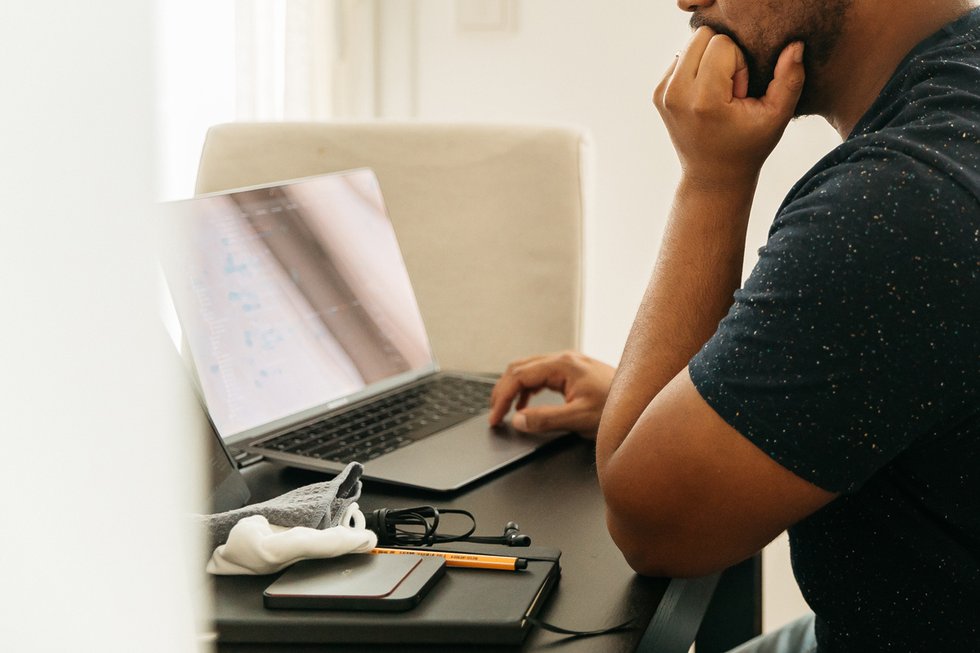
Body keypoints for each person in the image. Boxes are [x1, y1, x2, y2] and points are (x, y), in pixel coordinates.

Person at [488, 1, 980, 651]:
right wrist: (689, 409)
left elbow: (653, 525)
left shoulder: (897, 199)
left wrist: (711, 177)